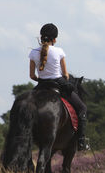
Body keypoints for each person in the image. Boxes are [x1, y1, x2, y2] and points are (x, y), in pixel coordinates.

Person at [28, 23, 89, 151]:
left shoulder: (33, 52)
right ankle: (82, 141)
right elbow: (66, 75)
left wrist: (42, 79)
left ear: (41, 37)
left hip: (41, 85)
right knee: (82, 108)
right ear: (54, 39)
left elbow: (32, 76)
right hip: (58, 83)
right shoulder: (59, 51)